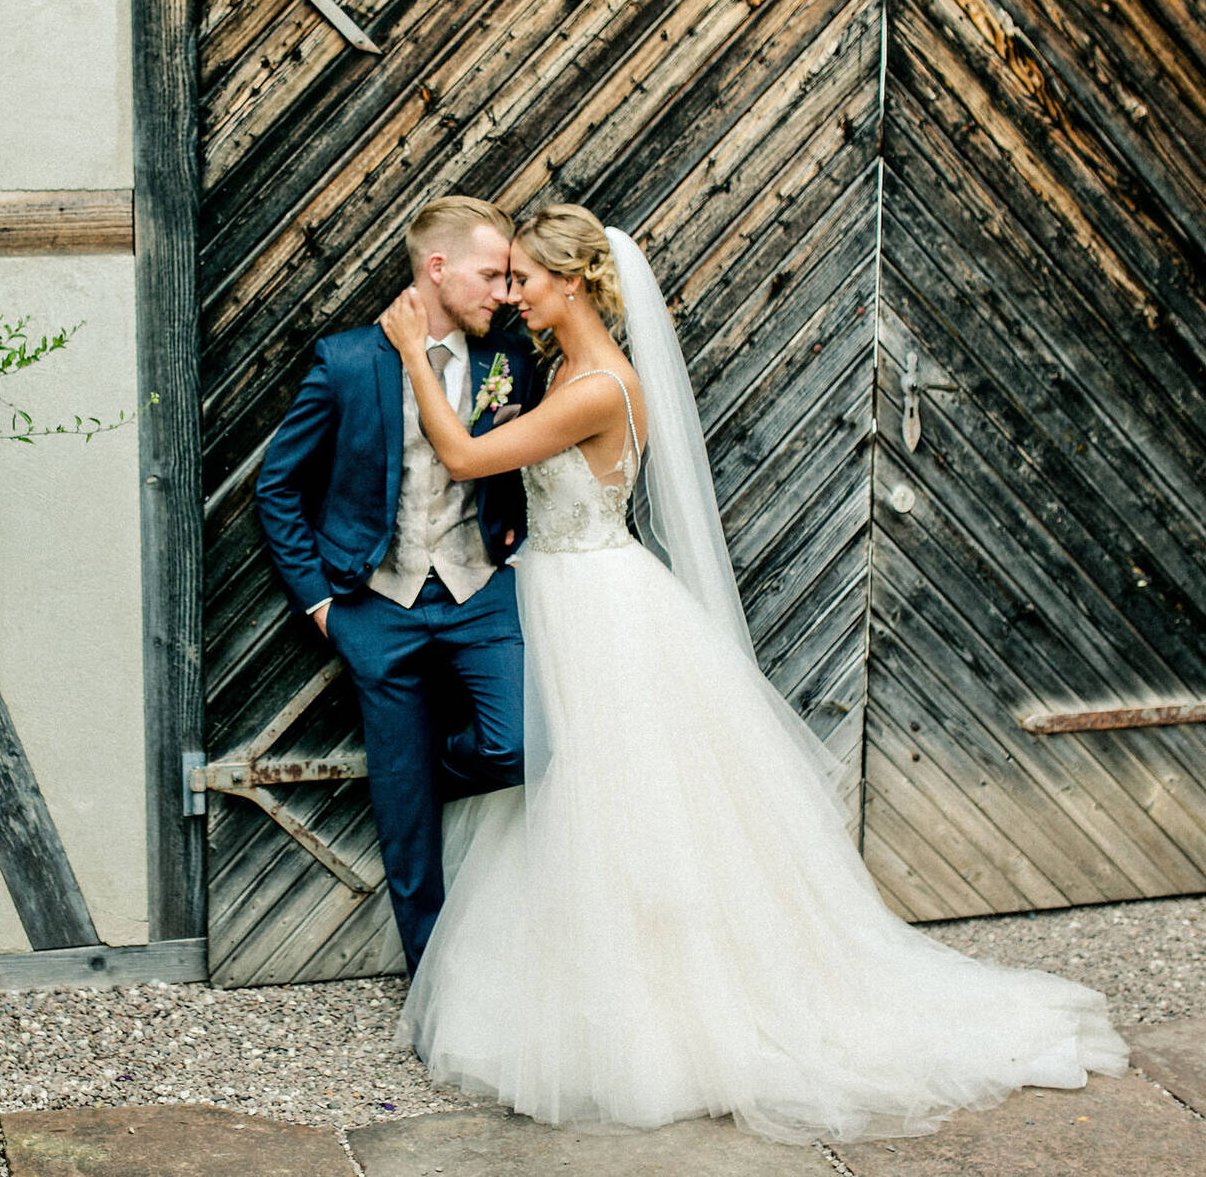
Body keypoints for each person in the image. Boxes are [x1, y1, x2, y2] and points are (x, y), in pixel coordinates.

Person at [377, 203, 1128, 1144]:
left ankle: (656, 1024)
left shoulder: (599, 386)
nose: (513, 291)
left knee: (619, 807)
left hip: (596, 609)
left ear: (570, 283)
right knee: (569, 799)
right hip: (563, 589)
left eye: (525, 276)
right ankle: (577, 994)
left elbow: (465, 453)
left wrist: (414, 351)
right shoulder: (565, 369)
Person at [256, 195, 542, 975]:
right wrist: (320, 603)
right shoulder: (348, 360)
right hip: (373, 605)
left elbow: (527, 461)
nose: (505, 291)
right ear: (437, 267)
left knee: (518, 744)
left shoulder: (509, 362)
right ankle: (434, 991)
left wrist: (514, 538)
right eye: (492, 273)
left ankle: (413, 775)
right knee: (405, 828)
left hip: (480, 594)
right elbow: (277, 487)